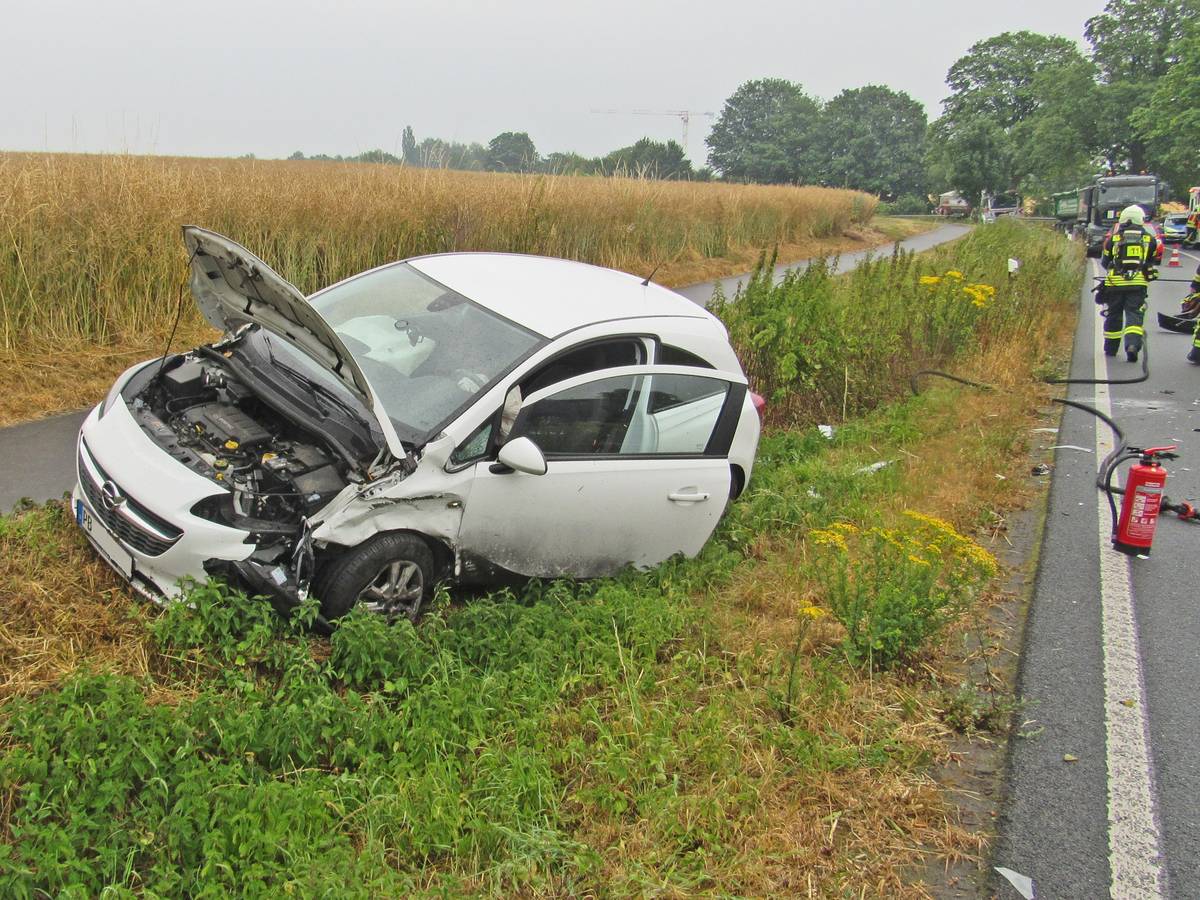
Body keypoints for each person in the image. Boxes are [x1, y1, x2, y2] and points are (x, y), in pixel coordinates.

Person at [1100, 204, 1161, 362]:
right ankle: (1132, 346)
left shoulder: (1113, 239)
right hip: (1138, 284)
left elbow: (1105, 262)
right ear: (1141, 219)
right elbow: (1151, 262)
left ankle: (1111, 349)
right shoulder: (1150, 239)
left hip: (1114, 284)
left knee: (1114, 315)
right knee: (1134, 315)